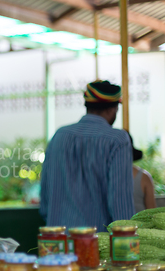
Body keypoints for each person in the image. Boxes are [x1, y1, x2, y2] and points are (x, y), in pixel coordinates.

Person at [40, 80, 134, 232]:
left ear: (87, 106)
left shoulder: (59, 136)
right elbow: (121, 207)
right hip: (96, 247)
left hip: (57, 244)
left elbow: (45, 199)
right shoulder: (117, 140)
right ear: (113, 109)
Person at [127, 132, 156, 212]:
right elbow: (152, 212)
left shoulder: (144, 177)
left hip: (139, 224)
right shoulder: (144, 177)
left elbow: (151, 213)